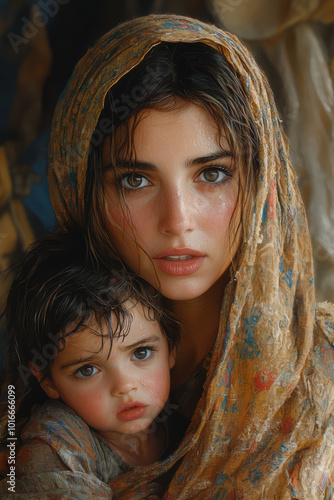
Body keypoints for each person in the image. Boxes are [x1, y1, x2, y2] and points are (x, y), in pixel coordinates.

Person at [46, 13, 334, 499]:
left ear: (263, 183)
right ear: (83, 191)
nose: (177, 220)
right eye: (135, 180)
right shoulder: (49, 355)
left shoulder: (322, 367)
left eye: (212, 174)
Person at [0, 230, 180, 497]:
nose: (125, 385)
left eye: (141, 353)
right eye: (87, 370)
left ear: (171, 349)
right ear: (47, 380)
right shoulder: (54, 442)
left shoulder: (197, 416)